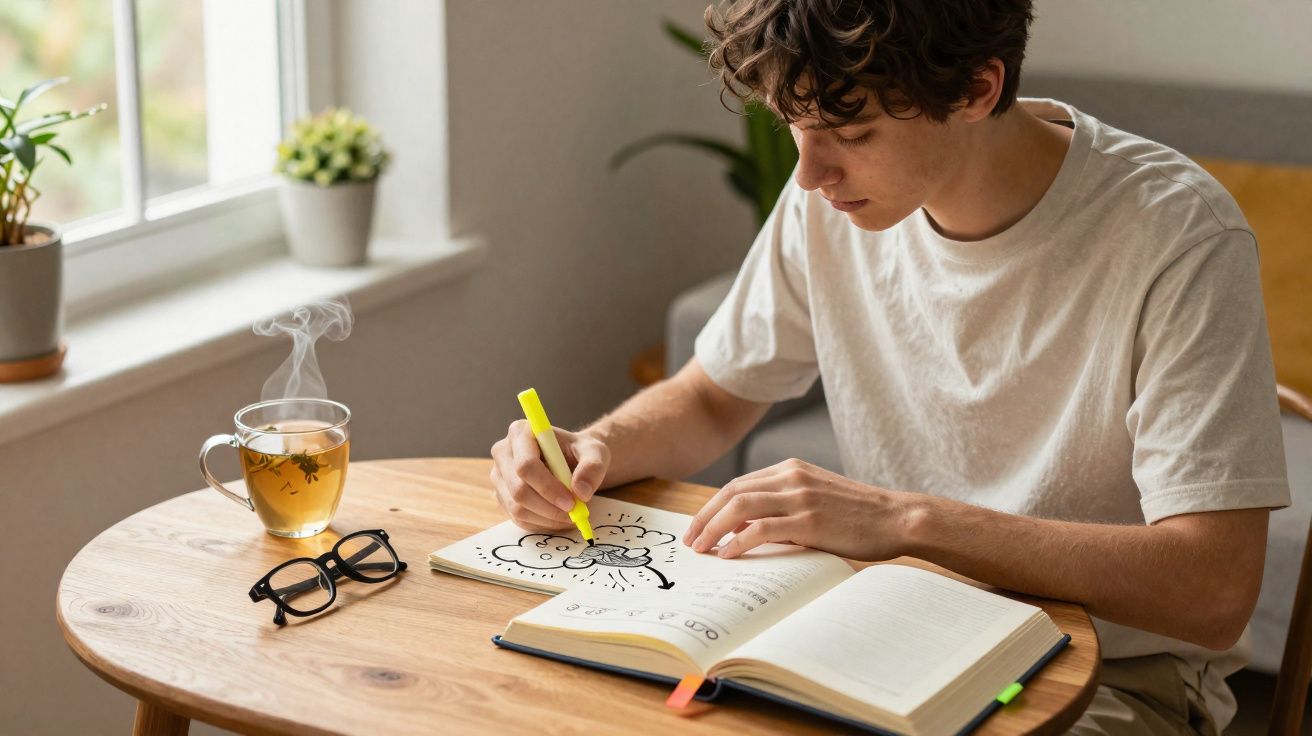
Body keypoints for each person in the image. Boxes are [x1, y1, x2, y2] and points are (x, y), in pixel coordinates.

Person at [488, 1, 1291, 733]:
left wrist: (905, 522)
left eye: (853, 132)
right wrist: (591, 450)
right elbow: (710, 398)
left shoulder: (1177, 236)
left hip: (1104, 676)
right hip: (882, 639)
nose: (809, 174)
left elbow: (1214, 590)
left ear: (979, 89)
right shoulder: (828, 201)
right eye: (792, 126)